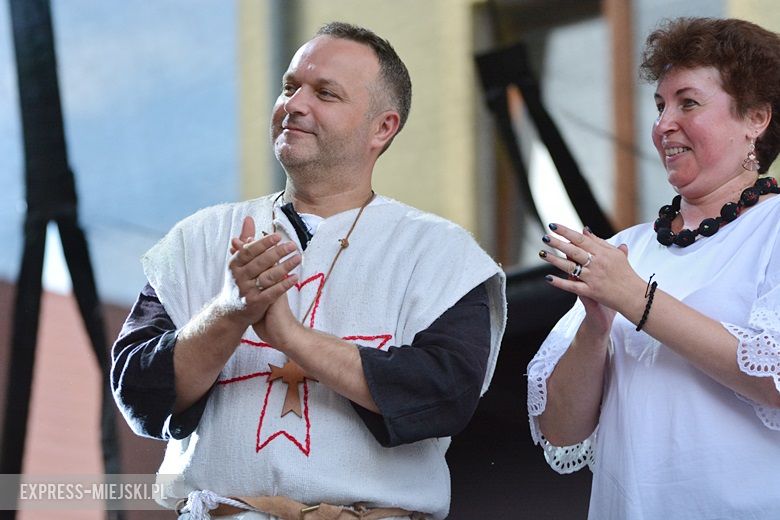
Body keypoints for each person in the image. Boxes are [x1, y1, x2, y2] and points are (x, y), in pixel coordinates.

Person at [111, 21, 506, 520]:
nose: (294, 104)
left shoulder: (441, 254)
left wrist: (291, 337)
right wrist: (230, 310)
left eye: (325, 93)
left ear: (382, 128)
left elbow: (443, 395)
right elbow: (139, 395)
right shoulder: (199, 239)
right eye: (289, 86)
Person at [528, 17, 780, 519]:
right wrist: (595, 330)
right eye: (661, 105)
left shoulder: (772, 229)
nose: (664, 123)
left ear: (756, 118)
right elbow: (560, 430)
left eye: (688, 103)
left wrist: (636, 301)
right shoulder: (625, 249)